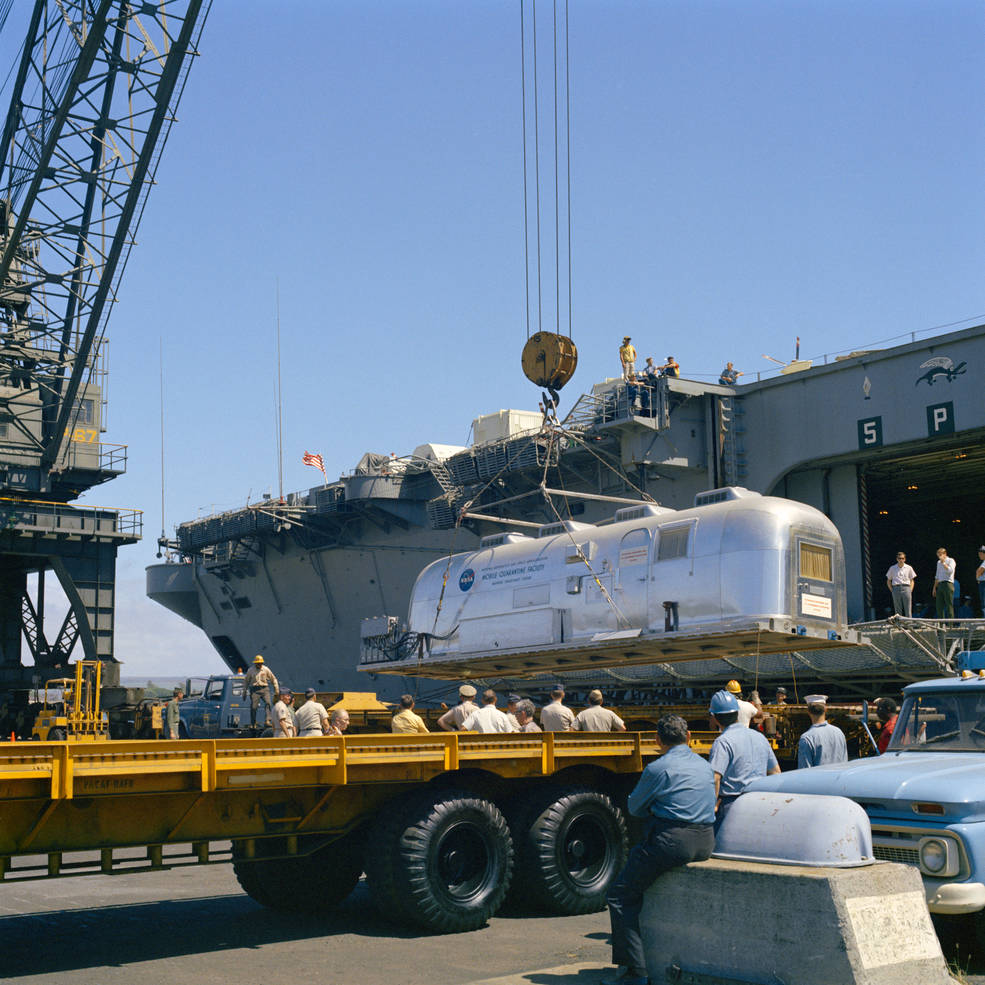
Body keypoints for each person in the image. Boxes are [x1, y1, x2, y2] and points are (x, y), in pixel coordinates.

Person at [603, 714, 715, 985]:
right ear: (688, 737)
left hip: (673, 842)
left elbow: (635, 808)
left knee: (619, 894)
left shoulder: (658, 768)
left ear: (657, 741)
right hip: (706, 840)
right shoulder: (704, 765)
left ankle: (634, 972)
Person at [707, 690, 780, 832]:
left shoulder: (723, 742)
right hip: (759, 801)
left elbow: (715, 779)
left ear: (715, 718)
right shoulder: (760, 737)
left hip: (730, 806)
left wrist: (712, 806)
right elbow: (776, 772)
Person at [797, 695, 847, 768]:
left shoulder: (806, 738)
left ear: (808, 712)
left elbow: (804, 772)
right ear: (825, 709)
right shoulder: (839, 733)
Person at [244, 654, 279, 730]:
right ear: (255, 663)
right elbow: (246, 681)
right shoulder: (250, 670)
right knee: (254, 707)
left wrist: (276, 689)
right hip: (254, 690)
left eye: (261, 663)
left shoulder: (266, 669)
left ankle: (268, 720)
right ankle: (253, 723)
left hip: (264, 689)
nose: (260, 665)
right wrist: (244, 692)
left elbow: (273, 679)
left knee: (268, 703)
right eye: (258, 663)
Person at [885, 551, 917, 617]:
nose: (901, 560)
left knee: (908, 608)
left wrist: (910, 590)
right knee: (897, 609)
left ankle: (909, 625)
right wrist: (892, 590)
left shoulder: (909, 568)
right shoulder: (892, 568)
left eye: (902, 558)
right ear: (897, 559)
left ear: (905, 559)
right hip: (896, 588)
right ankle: (899, 625)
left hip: (906, 588)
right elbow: (888, 580)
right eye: (899, 558)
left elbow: (912, 580)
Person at [933, 547, 956, 619]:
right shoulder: (938, 562)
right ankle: (941, 625)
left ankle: (950, 625)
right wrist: (934, 588)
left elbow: (950, 571)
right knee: (939, 605)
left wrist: (943, 563)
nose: (939, 557)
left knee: (949, 605)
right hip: (940, 584)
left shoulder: (951, 560)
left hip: (948, 583)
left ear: (945, 554)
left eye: (940, 555)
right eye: (938, 555)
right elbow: (937, 575)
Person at [977, 546, 985, 616]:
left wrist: (977, 577)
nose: (979, 555)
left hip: (983, 583)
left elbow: (979, 571)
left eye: (980, 554)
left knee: (984, 600)